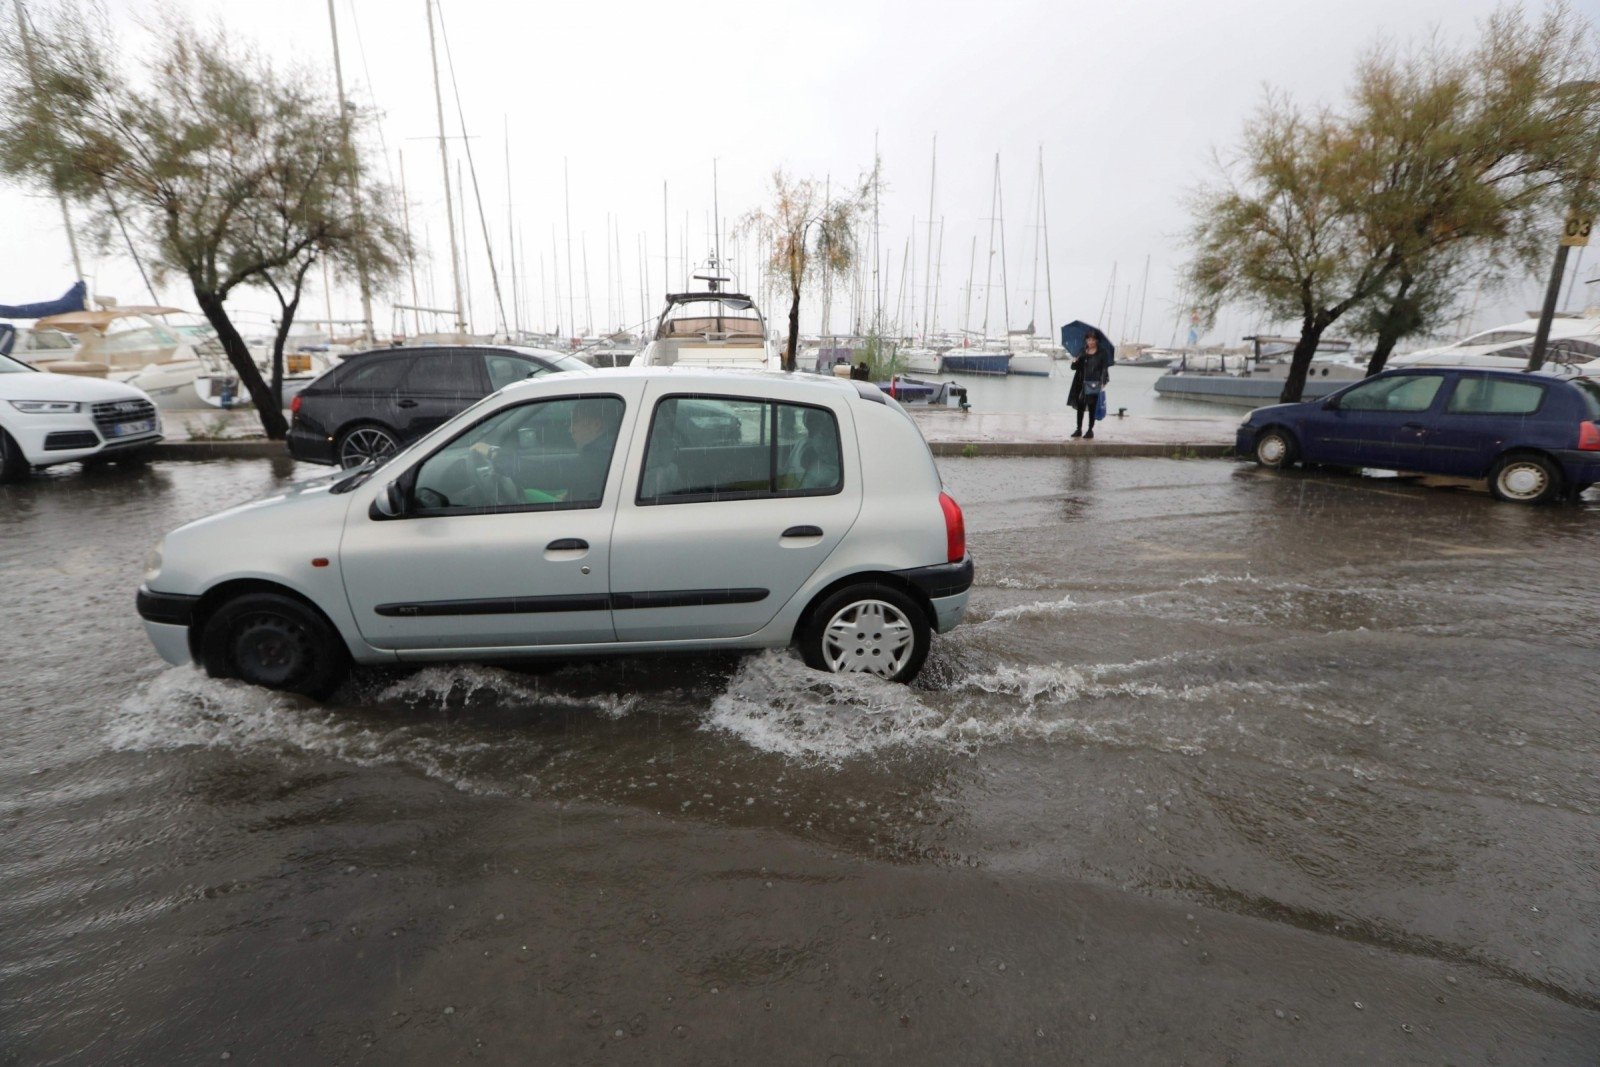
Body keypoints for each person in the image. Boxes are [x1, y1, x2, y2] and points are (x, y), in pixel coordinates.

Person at [567, 398, 619, 504]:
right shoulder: (613, 451)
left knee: (530, 493)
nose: (570, 430)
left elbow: (574, 500)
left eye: (575, 422)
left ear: (596, 425)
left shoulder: (593, 460)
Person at [1068, 332, 1111, 439]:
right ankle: (1078, 429)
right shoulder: (1082, 351)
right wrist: (1075, 361)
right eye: (1088, 340)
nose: (1090, 342)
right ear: (1086, 340)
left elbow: (1104, 368)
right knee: (1080, 406)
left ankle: (1090, 430)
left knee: (1092, 407)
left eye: (1092, 340)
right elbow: (1074, 368)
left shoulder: (1102, 352)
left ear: (1097, 340)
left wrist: (1104, 381)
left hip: (1094, 383)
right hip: (1080, 382)